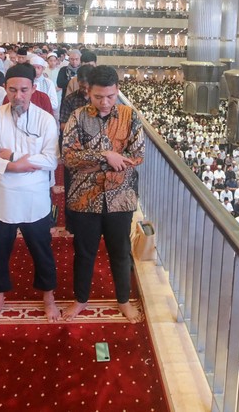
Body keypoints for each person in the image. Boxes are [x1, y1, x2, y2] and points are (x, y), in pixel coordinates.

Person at [0, 63, 60, 323]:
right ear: (6, 89)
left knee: (42, 252)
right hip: (2, 199)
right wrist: (15, 166)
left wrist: (12, 157)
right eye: (13, 90)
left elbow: (51, 161)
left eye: (24, 90)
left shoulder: (45, 119)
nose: (18, 96)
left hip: (35, 200)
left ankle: (49, 298)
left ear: (33, 89)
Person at [62, 65, 144, 323]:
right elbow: (69, 157)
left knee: (120, 251)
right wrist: (106, 156)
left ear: (117, 90)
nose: (105, 102)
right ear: (89, 92)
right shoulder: (77, 117)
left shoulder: (130, 117)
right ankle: (80, 299)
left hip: (121, 196)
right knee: (84, 252)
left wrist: (98, 163)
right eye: (99, 97)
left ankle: (123, 300)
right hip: (84, 197)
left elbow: (137, 156)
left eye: (110, 96)